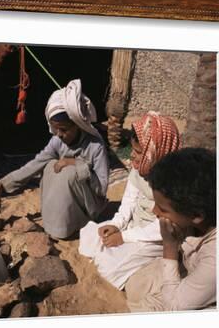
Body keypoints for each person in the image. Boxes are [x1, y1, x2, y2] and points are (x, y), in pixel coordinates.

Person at [0, 79, 109, 239]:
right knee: (49, 165)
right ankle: (56, 221)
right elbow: (35, 164)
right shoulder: (57, 141)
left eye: (64, 129)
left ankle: (73, 224)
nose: (59, 134)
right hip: (70, 200)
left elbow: (101, 189)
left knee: (69, 173)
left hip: (89, 206)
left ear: (78, 125)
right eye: (55, 129)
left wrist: (78, 165)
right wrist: (4, 182)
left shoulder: (96, 146)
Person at [78, 111, 181, 289]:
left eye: (139, 152)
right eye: (133, 149)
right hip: (133, 226)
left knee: (111, 266)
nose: (132, 156)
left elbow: (162, 227)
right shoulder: (139, 168)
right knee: (90, 234)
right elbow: (129, 200)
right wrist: (117, 224)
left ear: (156, 151)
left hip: (157, 237)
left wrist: (124, 237)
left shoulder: (175, 184)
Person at [124, 147, 217, 312]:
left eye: (162, 209)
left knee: (147, 310)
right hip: (191, 271)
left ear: (196, 215)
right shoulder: (193, 220)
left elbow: (174, 307)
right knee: (135, 285)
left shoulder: (216, 259)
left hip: (207, 296)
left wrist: (169, 247)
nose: (154, 212)